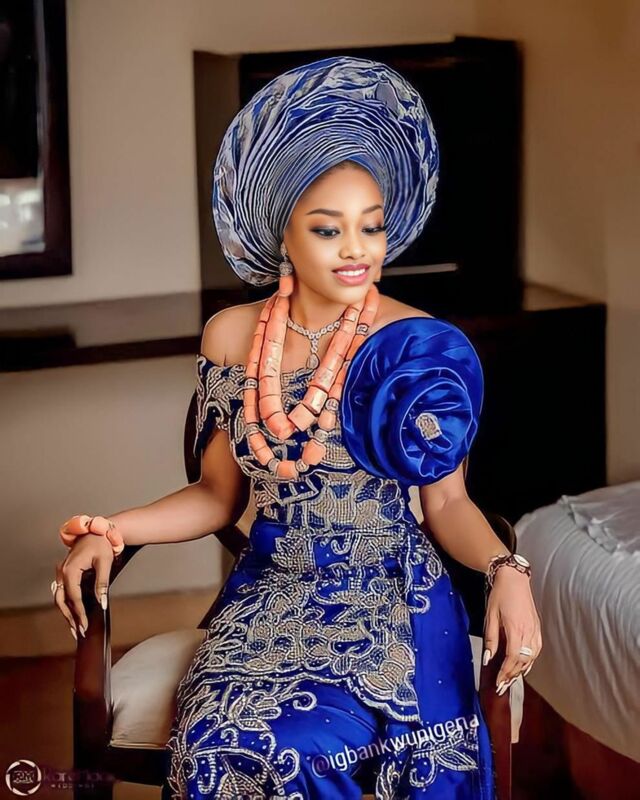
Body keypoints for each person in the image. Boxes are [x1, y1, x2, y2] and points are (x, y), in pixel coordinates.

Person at [53, 56, 541, 799]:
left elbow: (446, 503)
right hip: (272, 590)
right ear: (283, 233)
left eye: (371, 227)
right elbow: (217, 495)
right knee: (218, 743)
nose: (356, 249)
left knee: (308, 749)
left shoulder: (417, 344)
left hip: (389, 595)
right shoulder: (231, 336)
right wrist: (110, 530)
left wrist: (507, 570)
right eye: (328, 229)